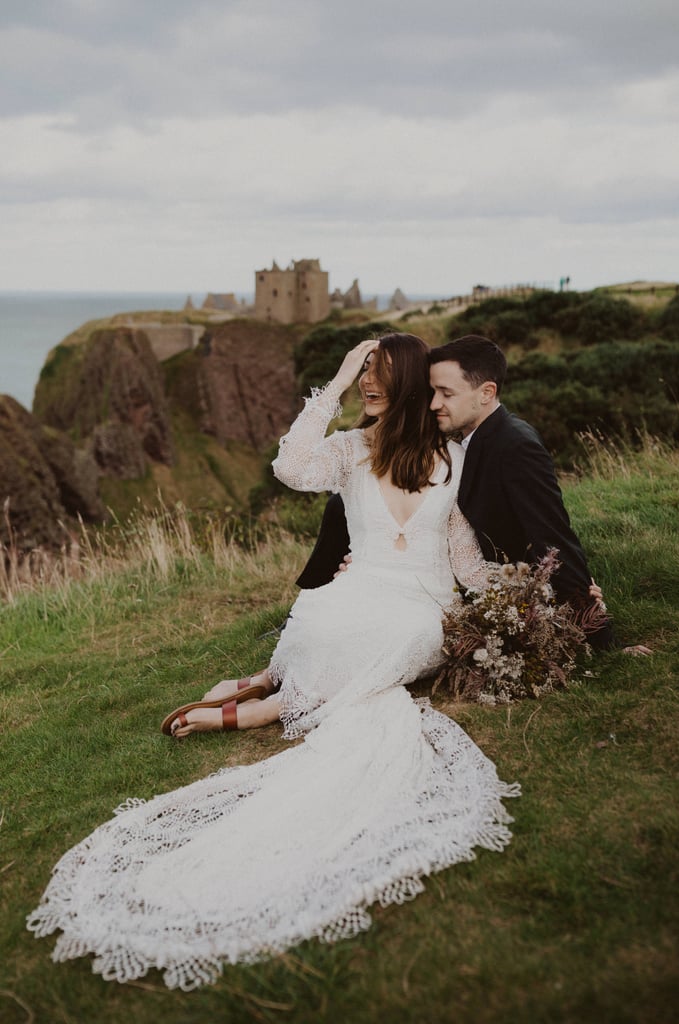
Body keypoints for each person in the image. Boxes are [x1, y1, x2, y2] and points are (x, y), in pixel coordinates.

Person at [28, 333, 519, 990]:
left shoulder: (421, 456)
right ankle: (258, 695)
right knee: (346, 646)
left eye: (377, 372)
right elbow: (299, 474)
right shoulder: (370, 453)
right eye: (362, 371)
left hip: (382, 606)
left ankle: (251, 700)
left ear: (403, 383)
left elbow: (458, 559)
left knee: (349, 640)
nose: (368, 380)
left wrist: (526, 603)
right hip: (380, 601)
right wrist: (340, 380)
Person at [296, 335, 618, 649]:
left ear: (486, 393)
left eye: (446, 394)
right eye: (432, 391)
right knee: (343, 504)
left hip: (458, 584)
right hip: (399, 577)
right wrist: (375, 561)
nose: (434, 403)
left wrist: (584, 613)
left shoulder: (515, 447)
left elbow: (553, 537)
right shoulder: (458, 436)